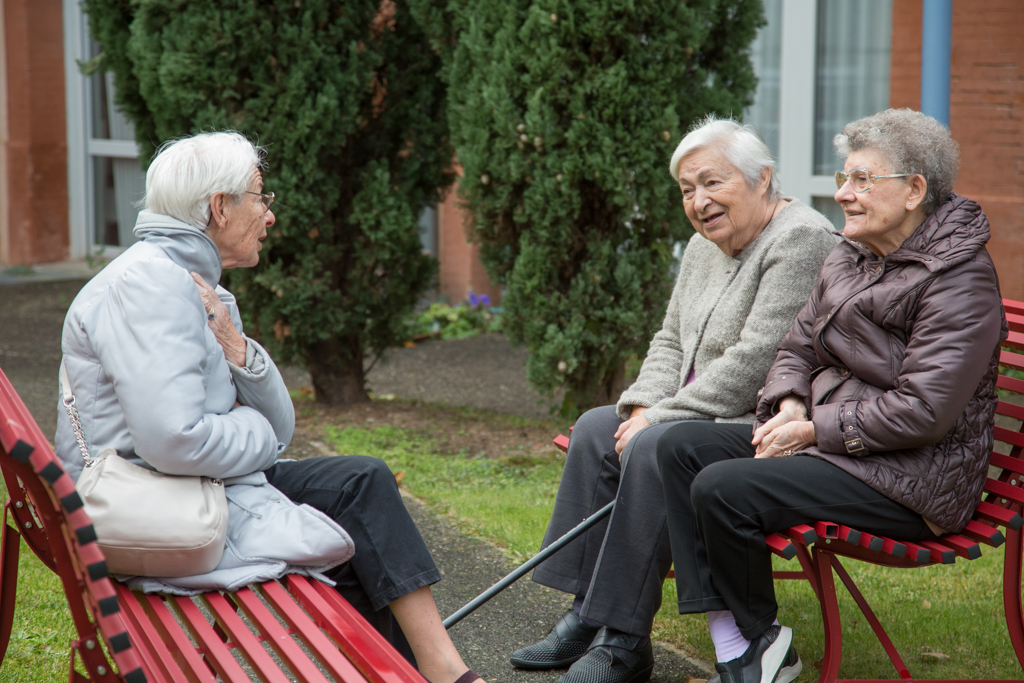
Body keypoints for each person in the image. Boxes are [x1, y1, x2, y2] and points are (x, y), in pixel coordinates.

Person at [55, 132, 483, 683]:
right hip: (158, 504)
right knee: (352, 523)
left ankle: (435, 670)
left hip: (199, 485)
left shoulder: (193, 283)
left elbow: (281, 427)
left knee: (360, 483)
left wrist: (237, 348)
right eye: (261, 197)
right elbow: (175, 440)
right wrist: (254, 429)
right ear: (219, 207)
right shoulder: (151, 286)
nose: (269, 215)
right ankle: (440, 674)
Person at [656, 108, 1007, 683]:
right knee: (677, 446)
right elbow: (795, 346)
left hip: (911, 477)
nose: (843, 194)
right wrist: (790, 403)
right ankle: (745, 638)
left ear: (914, 190)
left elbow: (924, 412)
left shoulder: (959, 280)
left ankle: (753, 648)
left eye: (862, 180)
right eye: (845, 177)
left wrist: (811, 428)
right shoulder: (853, 253)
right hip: (839, 446)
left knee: (723, 487)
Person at [510, 116, 837, 683]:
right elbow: (670, 341)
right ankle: (588, 613)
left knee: (654, 444)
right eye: (687, 189)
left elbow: (755, 363)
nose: (699, 201)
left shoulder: (801, 239)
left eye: (712, 182)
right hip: (701, 413)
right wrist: (642, 406)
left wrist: (657, 420)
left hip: (764, 421)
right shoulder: (702, 246)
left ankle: (622, 641)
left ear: (762, 178)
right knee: (597, 428)